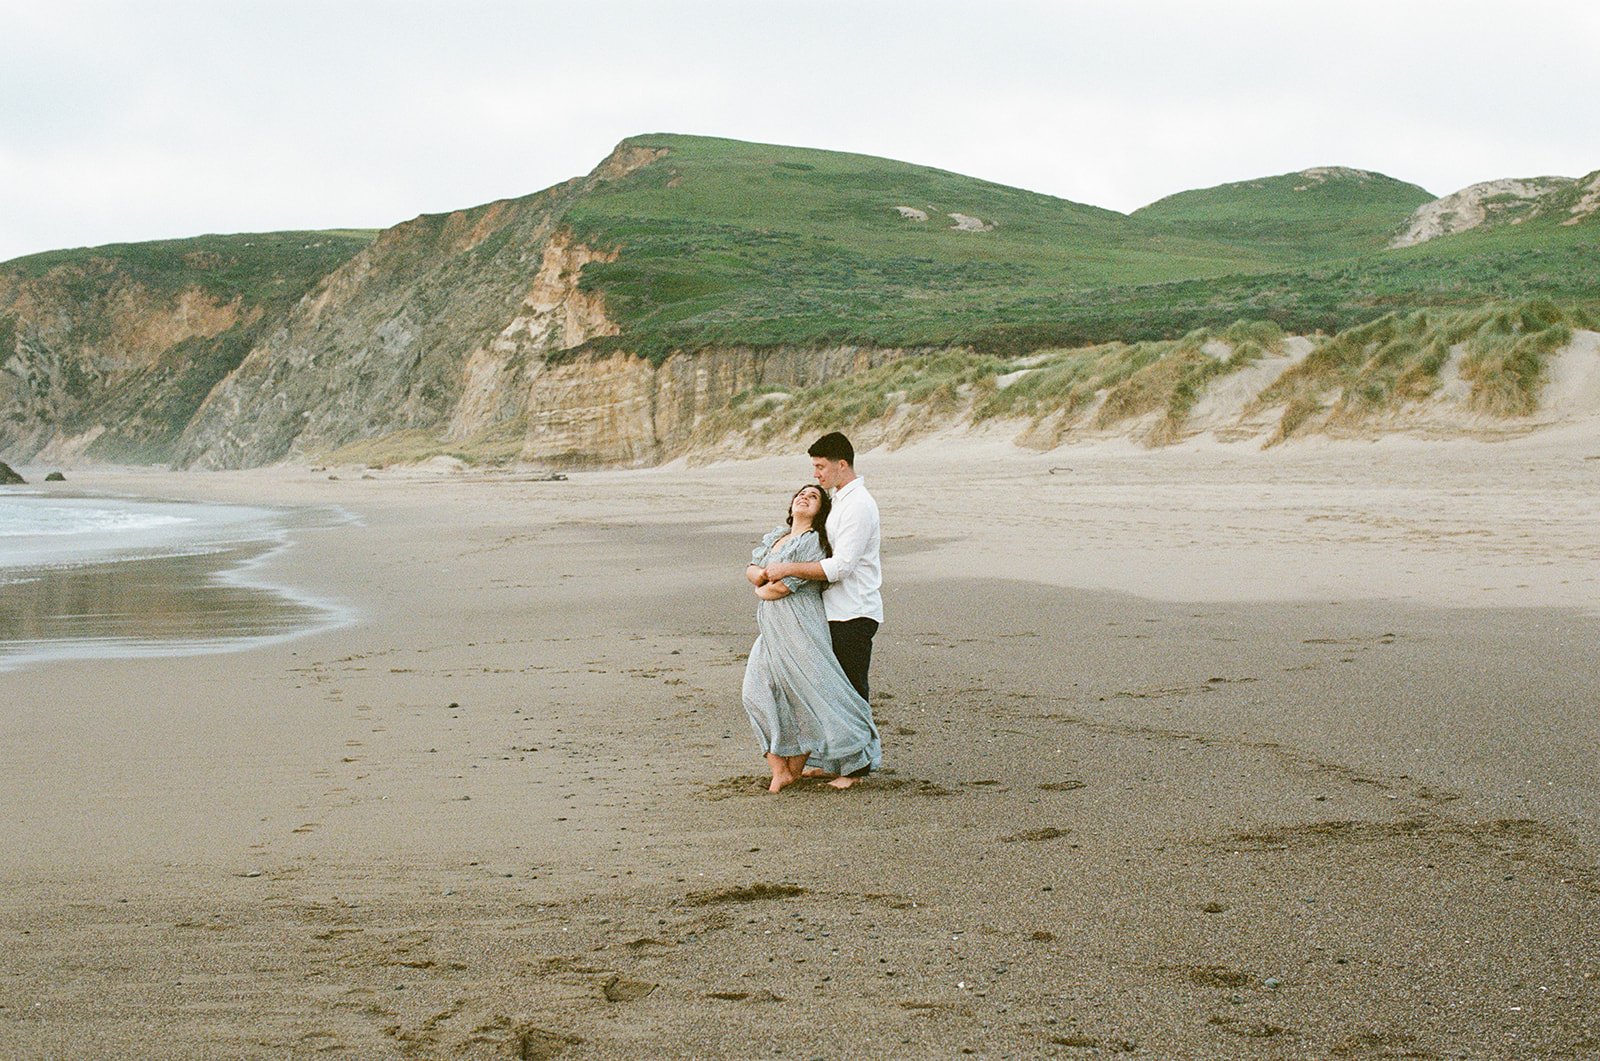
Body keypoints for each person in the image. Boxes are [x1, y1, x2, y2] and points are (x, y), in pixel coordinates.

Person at [743, 483, 882, 792]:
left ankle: (848, 754)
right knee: (754, 692)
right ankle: (781, 767)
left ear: (821, 511)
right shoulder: (777, 536)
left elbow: (782, 587)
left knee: (808, 694)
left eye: (814, 496)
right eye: (801, 494)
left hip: (799, 624)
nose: (804, 497)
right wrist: (760, 577)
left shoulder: (813, 542)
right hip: (771, 627)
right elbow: (753, 567)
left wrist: (761, 586)